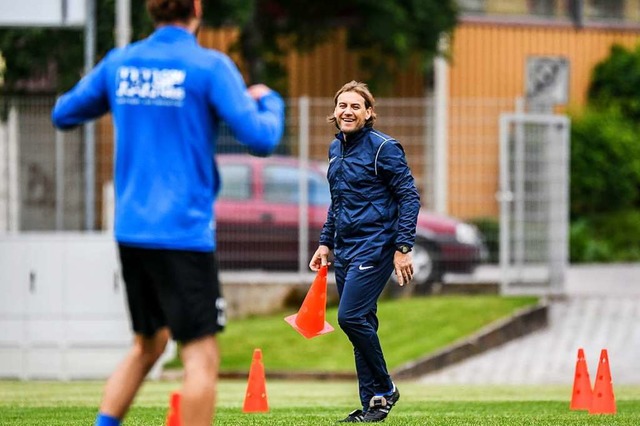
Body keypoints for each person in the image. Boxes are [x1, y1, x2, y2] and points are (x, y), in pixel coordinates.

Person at [51, 0, 284, 425]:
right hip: (182, 232)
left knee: (149, 343)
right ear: (197, 9)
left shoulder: (121, 63)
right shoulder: (209, 67)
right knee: (201, 356)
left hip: (132, 230)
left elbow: (64, 113)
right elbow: (261, 138)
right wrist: (271, 103)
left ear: (150, 10)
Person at [309, 81, 420, 423]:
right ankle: (373, 404)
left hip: (376, 247)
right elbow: (338, 203)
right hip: (344, 249)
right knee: (362, 324)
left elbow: (409, 197)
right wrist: (325, 242)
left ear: (369, 113)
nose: (347, 111)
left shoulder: (383, 148)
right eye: (342, 105)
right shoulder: (335, 149)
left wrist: (402, 247)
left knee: (350, 317)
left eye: (356, 106)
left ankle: (385, 388)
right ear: (335, 111)